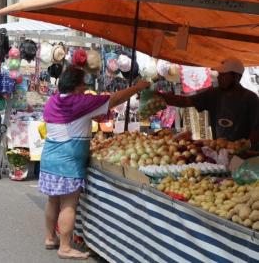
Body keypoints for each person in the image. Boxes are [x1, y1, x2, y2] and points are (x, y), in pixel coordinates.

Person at [40, 67, 149, 260]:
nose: (85, 87)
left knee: (53, 199)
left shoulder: (52, 101)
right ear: (76, 86)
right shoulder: (79, 102)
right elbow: (113, 100)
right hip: (68, 161)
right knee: (69, 204)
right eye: (83, 84)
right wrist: (137, 88)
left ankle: (50, 237)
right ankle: (64, 247)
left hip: (50, 157)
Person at [158, 57, 259, 153]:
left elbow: (257, 128)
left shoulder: (251, 99)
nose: (219, 77)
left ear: (237, 77)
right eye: (219, 74)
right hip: (219, 151)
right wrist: (158, 96)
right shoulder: (213, 94)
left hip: (242, 154)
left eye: (223, 75)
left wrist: (247, 146)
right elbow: (184, 102)